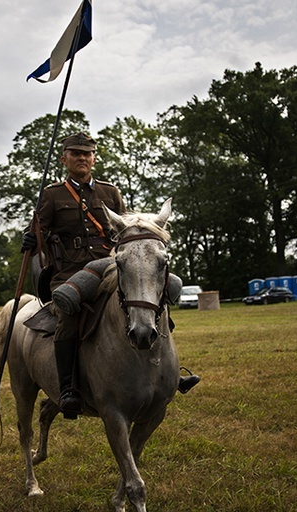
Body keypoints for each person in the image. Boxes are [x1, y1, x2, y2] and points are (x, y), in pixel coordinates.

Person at [22, 132, 199, 419]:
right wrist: (30, 239)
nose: (82, 158)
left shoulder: (110, 192)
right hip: (69, 273)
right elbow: (37, 231)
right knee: (68, 315)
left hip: (111, 267)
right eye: (75, 153)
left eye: (87, 153)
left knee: (156, 297)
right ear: (64, 158)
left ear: (93, 158)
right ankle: (67, 389)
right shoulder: (52, 195)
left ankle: (167, 374)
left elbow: (128, 229)